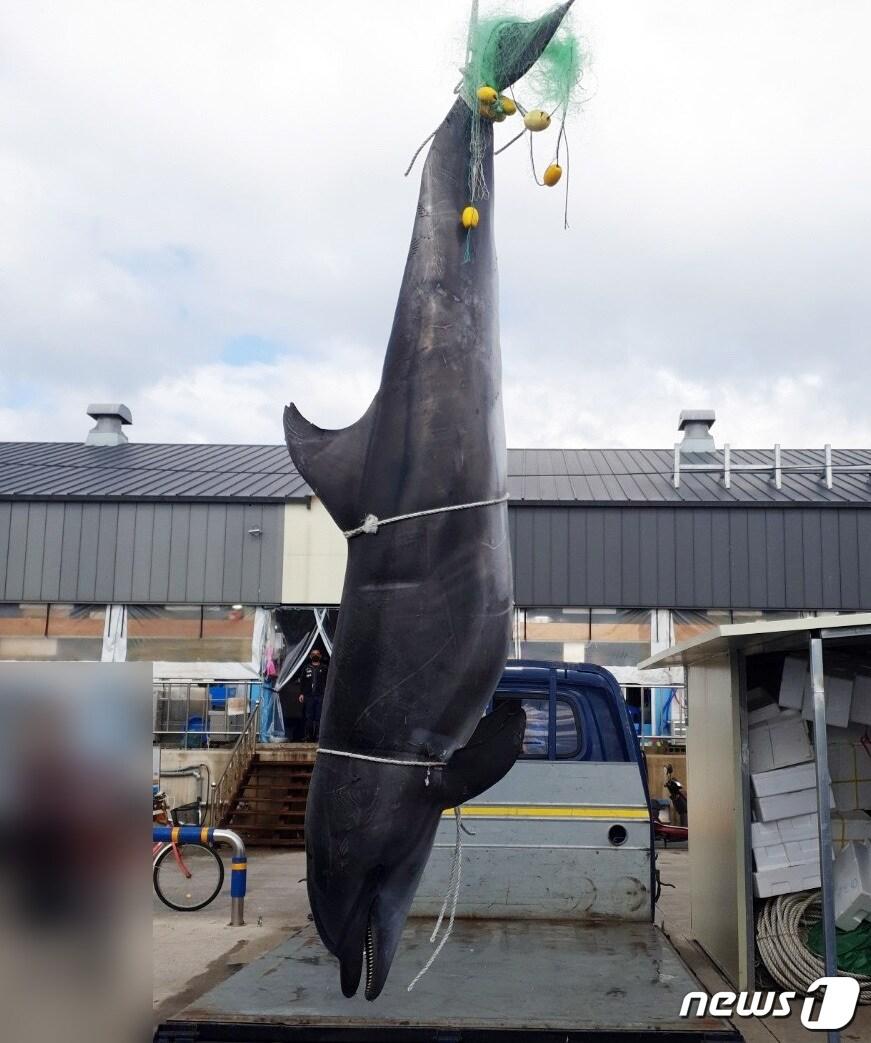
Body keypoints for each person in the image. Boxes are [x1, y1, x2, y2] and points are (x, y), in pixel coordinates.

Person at [300, 649, 327, 742]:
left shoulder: (324, 668)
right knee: (309, 717)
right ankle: (308, 736)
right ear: (310, 656)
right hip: (308, 696)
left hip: (320, 696)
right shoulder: (306, 668)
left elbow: (328, 681)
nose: (315, 655)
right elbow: (302, 681)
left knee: (319, 716)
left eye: (317, 654)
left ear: (320, 656)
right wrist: (301, 694)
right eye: (313, 654)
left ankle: (318, 736)